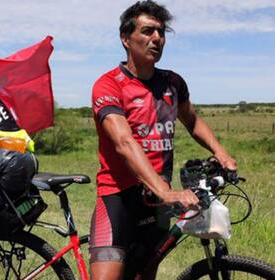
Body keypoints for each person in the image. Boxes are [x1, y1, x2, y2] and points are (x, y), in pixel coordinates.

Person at [89, 1, 237, 279]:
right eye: (147, 31)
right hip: (118, 197)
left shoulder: (173, 83)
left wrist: (221, 152)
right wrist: (166, 191)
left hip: (156, 203)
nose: (156, 38)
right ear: (125, 38)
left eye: (160, 32)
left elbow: (192, 121)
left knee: (144, 274)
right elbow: (124, 142)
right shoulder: (109, 84)